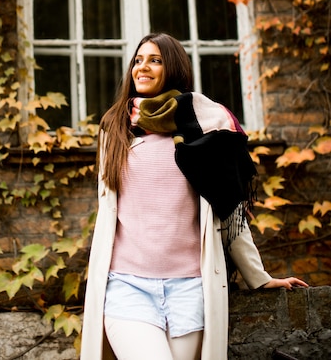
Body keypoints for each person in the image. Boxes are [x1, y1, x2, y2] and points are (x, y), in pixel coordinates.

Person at [80, 33, 308, 360]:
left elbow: (229, 210)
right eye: (138, 60)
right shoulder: (115, 129)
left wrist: (258, 277)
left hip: (189, 290)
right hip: (127, 287)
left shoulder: (206, 126)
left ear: (173, 67)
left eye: (155, 60)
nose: (142, 68)